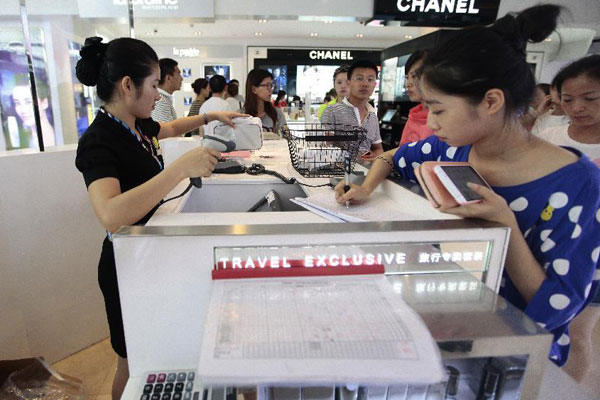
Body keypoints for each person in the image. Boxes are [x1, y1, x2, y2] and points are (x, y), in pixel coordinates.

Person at [335, 5, 600, 369]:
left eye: (439, 110)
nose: (432, 122)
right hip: (444, 331)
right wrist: (365, 187)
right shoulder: (453, 148)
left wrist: (504, 224)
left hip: (508, 357)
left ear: (491, 101)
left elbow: (556, 306)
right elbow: (394, 157)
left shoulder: (576, 182)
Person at [73, 36, 245, 400]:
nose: (158, 95)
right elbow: (110, 214)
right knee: (133, 361)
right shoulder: (98, 140)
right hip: (124, 266)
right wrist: (180, 168)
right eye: (153, 85)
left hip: (148, 259)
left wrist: (210, 116)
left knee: (151, 352)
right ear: (127, 85)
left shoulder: (135, 125)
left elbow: (168, 129)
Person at [536, 54, 600, 382]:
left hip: (594, 258)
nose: (578, 107)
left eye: (589, 98)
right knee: (542, 330)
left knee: (578, 335)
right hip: (547, 249)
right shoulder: (550, 136)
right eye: (568, 99)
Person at [321, 60, 384, 159]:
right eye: (359, 78)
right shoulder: (332, 111)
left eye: (370, 79)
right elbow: (324, 147)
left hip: (367, 172)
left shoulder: (373, 116)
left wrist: (375, 155)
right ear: (349, 83)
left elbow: (378, 148)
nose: (365, 84)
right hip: (339, 172)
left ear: (374, 84)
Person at [7, 73, 55, 149]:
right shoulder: (24, 139)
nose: (23, 110)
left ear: (44, 103)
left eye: (28, 102)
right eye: (17, 103)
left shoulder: (55, 137)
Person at [399, 50, 434, 146]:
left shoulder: (442, 119)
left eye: (414, 76)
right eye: (407, 77)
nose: (408, 84)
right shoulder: (414, 116)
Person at [244, 69, 286, 135]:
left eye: (271, 86)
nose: (271, 90)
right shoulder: (241, 115)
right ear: (254, 89)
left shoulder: (277, 113)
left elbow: (287, 137)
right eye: (267, 86)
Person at [150, 58, 182, 122]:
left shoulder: (163, 99)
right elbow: (165, 131)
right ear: (168, 78)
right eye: (178, 74)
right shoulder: (161, 101)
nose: (181, 78)